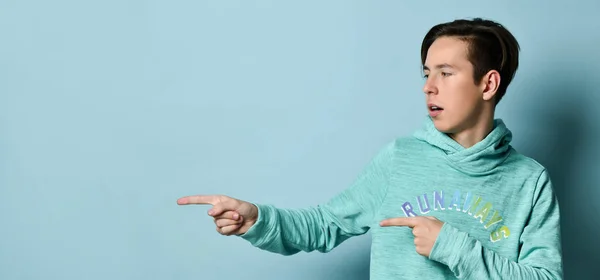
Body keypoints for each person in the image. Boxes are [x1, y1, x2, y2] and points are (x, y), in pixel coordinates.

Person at [177, 17, 563, 279]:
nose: (429, 86)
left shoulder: (529, 180)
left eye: (446, 73)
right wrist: (257, 220)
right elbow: (325, 226)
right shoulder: (401, 158)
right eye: (426, 73)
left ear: (488, 84)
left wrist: (452, 246)